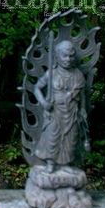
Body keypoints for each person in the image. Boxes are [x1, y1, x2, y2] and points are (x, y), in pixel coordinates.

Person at [32, 40, 86, 173]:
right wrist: (44, 103)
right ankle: (50, 163)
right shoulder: (52, 73)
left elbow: (83, 95)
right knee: (52, 136)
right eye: (65, 55)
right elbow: (37, 88)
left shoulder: (78, 74)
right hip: (55, 111)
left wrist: (83, 109)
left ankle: (65, 164)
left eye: (71, 56)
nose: (68, 59)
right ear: (57, 56)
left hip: (72, 111)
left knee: (70, 138)